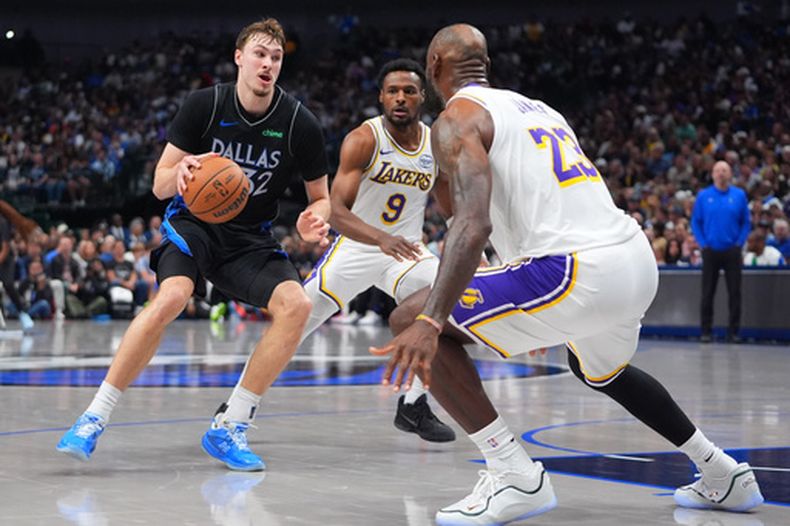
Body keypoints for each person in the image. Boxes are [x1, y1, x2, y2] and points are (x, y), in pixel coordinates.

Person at [371, 24, 764, 525]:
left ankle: (514, 475)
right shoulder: (540, 109)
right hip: (633, 261)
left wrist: (431, 321)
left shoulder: (456, 117)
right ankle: (721, 472)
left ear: (433, 70)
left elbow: (473, 223)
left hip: (574, 272)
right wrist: (519, 300)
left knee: (412, 317)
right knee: (599, 369)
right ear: (486, 68)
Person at [56, 18, 332, 472]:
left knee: (297, 305)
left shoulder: (299, 123)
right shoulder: (205, 105)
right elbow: (161, 184)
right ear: (239, 57)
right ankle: (94, 417)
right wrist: (180, 175)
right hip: (194, 225)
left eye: (276, 57)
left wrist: (312, 220)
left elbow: (321, 198)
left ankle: (230, 425)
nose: (267, 63)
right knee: (173, 296)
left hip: (249, 239)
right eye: (259, 54)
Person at [299, 58, 453, 441]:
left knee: (450, 300)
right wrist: (380, 238)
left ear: (423, 97)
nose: (400, 98)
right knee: (292, 323)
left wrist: (468, 246)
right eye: (393, 91)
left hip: (406, 250)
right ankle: (237, 407)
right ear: (381, 98)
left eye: (409, 91)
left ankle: (414, 406)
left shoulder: (435, 143)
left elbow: (449, 203)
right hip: (357, 246)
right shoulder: (364, 139)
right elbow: (335, 210)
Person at [691, 161, 750, 343]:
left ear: (730, 173)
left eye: (724, 170)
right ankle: (706, 332)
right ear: (713, 174)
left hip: (732, 250)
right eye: (717, 170)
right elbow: (695, 222)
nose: (721, 173)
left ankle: (733, 332)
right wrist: (702, 243)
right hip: (710, 251)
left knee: (735, 293)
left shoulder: (739, 195)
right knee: (707, 293)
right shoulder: (704, 196)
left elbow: (746, 222)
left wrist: (739, 243)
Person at [0, 214, 34, 331]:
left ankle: (23, 313)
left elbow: (5, 247)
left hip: (5, 259)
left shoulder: (2, 222)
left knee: (8, 284)